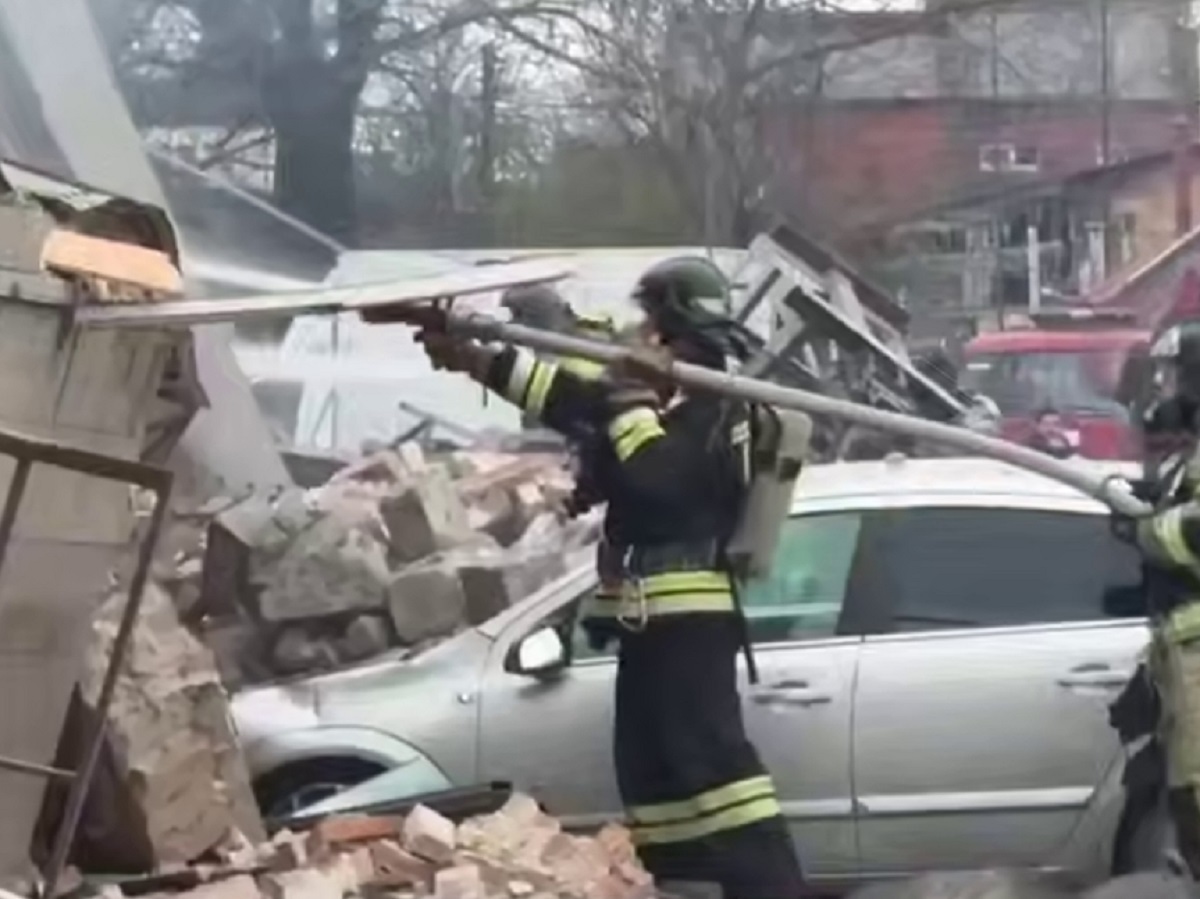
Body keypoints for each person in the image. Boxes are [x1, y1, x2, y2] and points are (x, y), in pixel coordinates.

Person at [410, 257, 805, 899]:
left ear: (672, 323)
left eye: (649, 318)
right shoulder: (664, 396)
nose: (637, 330)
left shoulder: (715, 406)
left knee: (714, 773)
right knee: (652, 777)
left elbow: (658, 482)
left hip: (690, 620)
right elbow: (568, 399)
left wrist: (628, 402)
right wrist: (475, 358)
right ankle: (687, 885)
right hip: (646, 621)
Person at [1113, 322, 1200, 880]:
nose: (1163, 392)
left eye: (1172, 378)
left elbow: (1191, 537)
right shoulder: (1188, 458)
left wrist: (1145, 529)